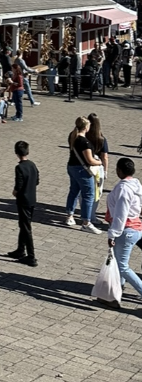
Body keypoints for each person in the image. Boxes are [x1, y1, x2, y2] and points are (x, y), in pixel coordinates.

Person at [106, 158, 142, 302]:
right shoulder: (136, 184)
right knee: (117, 260)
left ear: (119, 170)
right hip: (136, 227)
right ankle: (119, 287)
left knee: (122, 266)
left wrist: (112, 234)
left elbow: (121, 214)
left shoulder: (123, 188)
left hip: (126, 230)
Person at [65, 116, 102, 232]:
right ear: (86, 127)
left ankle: (69, 216)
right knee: (88, 195)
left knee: (74, 191)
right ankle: (86, 222)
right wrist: (99, 162)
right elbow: (89, 160)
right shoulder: (84, 142)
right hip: (82, 170)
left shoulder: (73, 136)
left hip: (71, 167)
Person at [7, 140, 39, 267]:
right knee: (24, 224)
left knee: (26, 227)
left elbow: (18, 184)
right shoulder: (32, 164)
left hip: (23, 200)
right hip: (32, 199)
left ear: (16, 153)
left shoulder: (19, 167)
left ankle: (31, 256)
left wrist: (15, 192)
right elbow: (37, 180)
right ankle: (21, 249)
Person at [86, 114, 109, 223]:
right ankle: (91, 216)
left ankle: (85, 214)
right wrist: (105, 170)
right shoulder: (102, 138)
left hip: (85, 167)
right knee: (96, 193)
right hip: (97, 169)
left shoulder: (84, 136)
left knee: (85, 192)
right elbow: (104, 157)